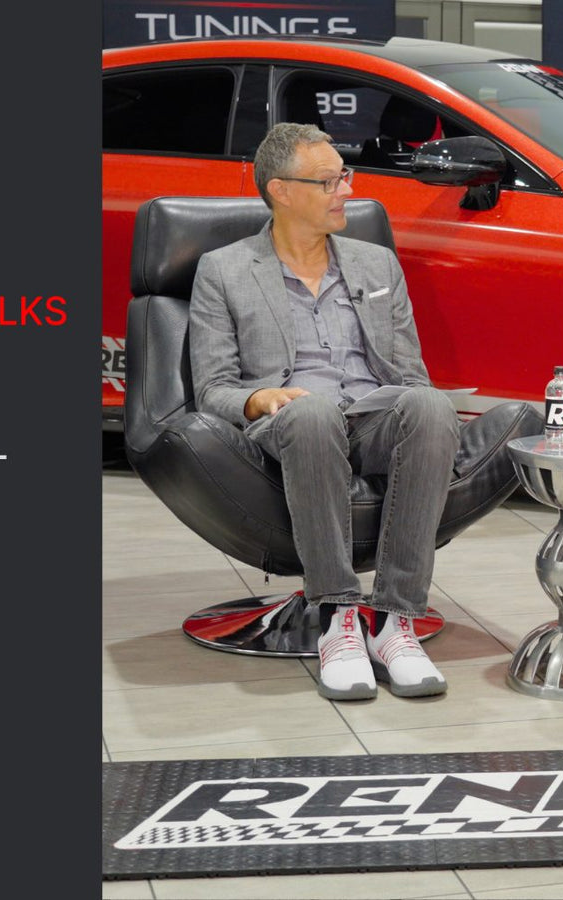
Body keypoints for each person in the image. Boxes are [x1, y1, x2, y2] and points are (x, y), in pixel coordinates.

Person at [189, 122, 460, 701]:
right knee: (312, 415)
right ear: (281, 191)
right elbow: (212, 388)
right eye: (330, 181)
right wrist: (260, 398)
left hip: (374, 414)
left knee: (431, 405)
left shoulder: (376, 265)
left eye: (346, 177)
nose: (346, 192)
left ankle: (394, 622)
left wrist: (416, 400)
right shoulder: (225, 270)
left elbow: (411, 374)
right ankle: (338, 616)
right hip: (292, 419)